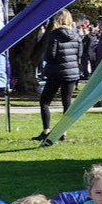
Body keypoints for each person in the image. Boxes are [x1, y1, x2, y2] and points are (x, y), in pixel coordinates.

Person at [36, 9, 82, 144]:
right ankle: (63, 131)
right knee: (66, 102)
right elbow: (79, 55)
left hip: (56, 72)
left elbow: (51, 56)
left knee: (44, 102)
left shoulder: (54, 35)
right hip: (72, 72)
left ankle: (46, 131)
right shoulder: (76, 35)